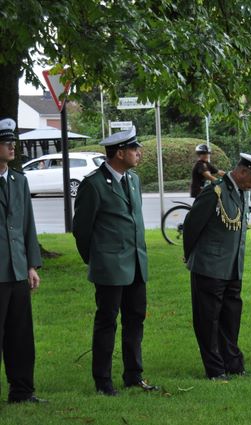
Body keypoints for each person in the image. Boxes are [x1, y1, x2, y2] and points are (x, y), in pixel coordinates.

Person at [73, 126, 158, 396]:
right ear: (119, 153)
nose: (139, 153)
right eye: (134, 149)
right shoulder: (94, 184)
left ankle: (134, 375)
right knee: (107, 322)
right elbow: (82, 229)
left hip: (136, 265)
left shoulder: (133, 180)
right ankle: (103, 381)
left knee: (135, 320)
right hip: (109, 267)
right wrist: (96, 260)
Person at [183, 153, 251, 380]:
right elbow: (192, 225)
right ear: (242, 172)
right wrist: (190, 256)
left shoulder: (241, 191)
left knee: (231, 318)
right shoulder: (215, 191)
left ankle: (233, 364)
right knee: (208, 320)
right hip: (209, 266)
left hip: (232, 267)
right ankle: (215, 369)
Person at [0, 118, 46, 404]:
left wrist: (31, 265)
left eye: (13, 142)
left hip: (17, 269)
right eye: (6, 142)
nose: (12, 146)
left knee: (20, 337)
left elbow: (28, 224)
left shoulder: (19, 180)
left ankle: (22, 391)